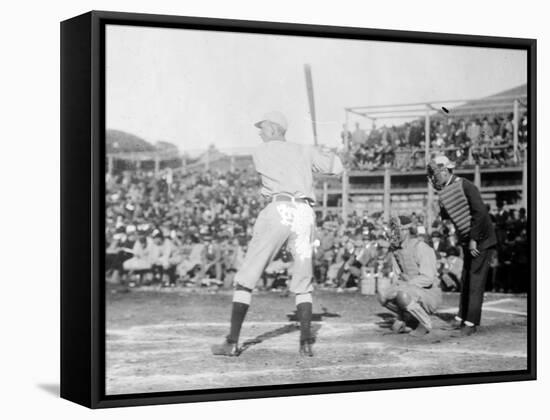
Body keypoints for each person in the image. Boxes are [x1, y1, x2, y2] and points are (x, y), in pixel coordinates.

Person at [211, 111, 344, 357]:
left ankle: (231, 342)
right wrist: (325, 152)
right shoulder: (305, 149)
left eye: (263, 128)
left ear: (273, 128)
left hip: (279, 208)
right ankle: (305, 342)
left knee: (247, 276)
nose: (260, 132)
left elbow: (281, 159)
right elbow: (337, 168)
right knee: (303, 281)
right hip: (304, 213)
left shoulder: (262, 151)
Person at [427, 155, 497, 335]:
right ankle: (462, 317)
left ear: (444, 170)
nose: (435, 178)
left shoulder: (466, 185)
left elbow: (480, 213)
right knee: (466, 277)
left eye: (436, 173)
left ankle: (471, 323)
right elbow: (448, 216)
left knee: (475, 280)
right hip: (468, 238)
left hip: (481, 239)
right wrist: (440, 198)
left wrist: (474, 238)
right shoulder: (448, 187)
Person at [377, 216, 441, 336]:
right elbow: (397, 276)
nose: (393, 233)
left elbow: (428, 278)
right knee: (383, 295)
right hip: (409, 288)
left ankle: (425, 323)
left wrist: (404, 286)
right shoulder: (396, 250)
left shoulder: (420, 247)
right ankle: (409, 319)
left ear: (406, 231)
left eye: (397, 230)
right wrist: (400, 316)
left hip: (428, 293)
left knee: (402, 294)